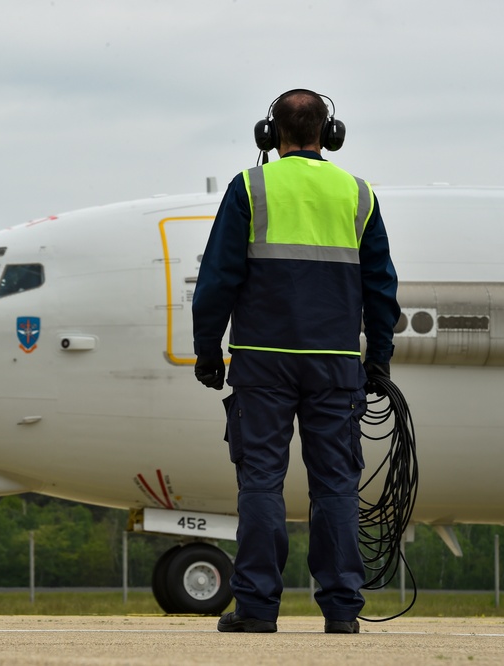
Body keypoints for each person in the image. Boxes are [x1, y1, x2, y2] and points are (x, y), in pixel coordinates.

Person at [191, 89, 400, 634]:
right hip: (334, 363)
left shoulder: (251, 187)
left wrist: (209, 351)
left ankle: (257, 609)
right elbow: (381, 287)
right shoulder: (357, 194)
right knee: (335, 484)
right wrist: (378, 358)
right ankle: (341, 611)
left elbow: (217, 278)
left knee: (261, 480)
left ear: (270, 134)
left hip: (263, 361)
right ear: (330, 134)